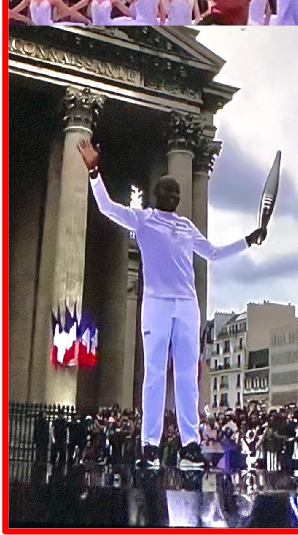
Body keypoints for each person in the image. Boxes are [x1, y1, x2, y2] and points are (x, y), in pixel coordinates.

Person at [77, 138, 267, 470]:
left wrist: (248, 241)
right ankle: (149, 445)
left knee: (185, 377)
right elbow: (107, 207)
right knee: (153, 375)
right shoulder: (143, 219)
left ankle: (189, 444)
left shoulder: (186, 226)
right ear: (156, 195)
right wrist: (94, 170)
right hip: (157, 303)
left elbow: (214, 253)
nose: (174, 198)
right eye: (168, 192)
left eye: (177, 194)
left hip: (187, 305)